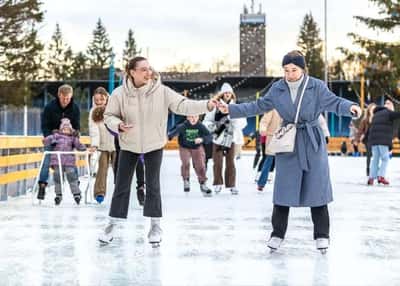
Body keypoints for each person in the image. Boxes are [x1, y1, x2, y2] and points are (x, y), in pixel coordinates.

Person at [217, 50, 361, 253]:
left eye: (294, 70)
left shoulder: (316, 86)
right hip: (288, 140)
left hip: (312, 141)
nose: (290, 74)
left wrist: (351, 107)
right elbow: (258, 106)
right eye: (286, 70)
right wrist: (231, 110)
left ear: (302, 69)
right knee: (283, 189)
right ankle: (277, 234)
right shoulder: (278, 89)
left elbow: (334, 102)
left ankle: (322, 235)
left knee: (317, 188)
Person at [98, 56, 217, 246]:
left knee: (153, 184)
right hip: (129, 145)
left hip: (154, 144)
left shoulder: (161, 91)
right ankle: (112, 224)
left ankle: (155, 226)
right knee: (121, 185)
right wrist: (118, 125)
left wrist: (206, 105)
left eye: (149, 68)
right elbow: (109, 116)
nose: (148, 72)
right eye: (143, 69)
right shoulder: (119, 94)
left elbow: (183, 105)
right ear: (132, 72)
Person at [37, 84, 80, 201]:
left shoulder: (74, 108)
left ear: (71, 97)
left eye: (68, 98)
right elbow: (45, 125)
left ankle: (76, 183)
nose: (65, 101)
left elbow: (76, 126)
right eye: (63, 98)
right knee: (47, 161)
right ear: (59, 95)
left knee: (71, 160)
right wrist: (50, 137)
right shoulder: (49, 107)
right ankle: (42, 185)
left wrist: (75, 134)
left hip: (67, 141)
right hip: (53, 139)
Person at [203, 83, 247, 195]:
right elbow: (206, 120)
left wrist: (233, 120)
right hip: (218, 138)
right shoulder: (215, 106)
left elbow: (243, 123)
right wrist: (213, 127)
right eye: (225, 93)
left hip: (231, 139)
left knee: (230, 162)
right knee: (217, 162)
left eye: (229, 93)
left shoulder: (236, 107)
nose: (227, 94)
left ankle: (232, 185)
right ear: (222, 94)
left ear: (232, 95)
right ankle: (218, 184)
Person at [43, 118, 86, 205]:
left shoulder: (73, 138)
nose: (66, 131)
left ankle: (76, 194)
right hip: (57, 161)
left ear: (71, 130)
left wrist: (83, 148)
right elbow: (47, 140)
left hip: (69, 162)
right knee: (57, 177)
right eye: (64, 129)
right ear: (61, 129)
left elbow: (79, 145)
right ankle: (58, 195)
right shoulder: (56, 136)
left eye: (68, 129)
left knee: (72, 177)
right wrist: (46, 140)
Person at [168, 115, 212, 196]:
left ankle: (203, 183)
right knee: (186, 163)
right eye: (191, 117)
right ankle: (186, 180)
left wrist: (202, 139)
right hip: (184, 147)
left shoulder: (200, 126)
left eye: (195, 117)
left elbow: (209, 136)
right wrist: (169, 137)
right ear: (187, 117)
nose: (193, 119)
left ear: (198, 117)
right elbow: (172, 133)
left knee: (200, 165)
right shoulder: (183, 126)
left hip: (197, 147)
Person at [89, 87, 116, 204]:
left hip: (116, 145)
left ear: (106, 98)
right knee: (102, 169)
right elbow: (94, 129)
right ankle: (99, 192)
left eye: (101, 99)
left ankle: (121, 192)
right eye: (96, 100)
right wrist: (95, 145)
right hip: (102, 146)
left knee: (119, 169)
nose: (99, 102)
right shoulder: (93, 112)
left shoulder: (114, 109)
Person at [367, 99, 400, 185]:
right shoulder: (388, 112)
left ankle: (371, 177)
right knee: (385, 158)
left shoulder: (376, 114)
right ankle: (381, 176)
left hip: (374, 140)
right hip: (383, 140)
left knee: (375, 159)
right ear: (389, 106)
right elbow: (398, 115)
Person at [256, 109, 281, 191]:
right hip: (273, 138)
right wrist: (263, 129)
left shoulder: (290, 107)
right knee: (268, 161)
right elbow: (264, 121)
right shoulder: (273, 109)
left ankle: (285, 184)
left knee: (285, 163)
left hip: (287, 139)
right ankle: (261, 183)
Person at [355, 103, 376, 176]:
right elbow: (360, 131)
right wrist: (357, 140)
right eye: (372, 109)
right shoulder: (365, 119)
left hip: (376, 139)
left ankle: (375, 169)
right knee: (369, 154)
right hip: (368, 139)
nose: (373, 110)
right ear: (369, 110)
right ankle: (368, 169)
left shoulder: (378, 118)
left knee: (376, 155)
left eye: (374, 109)